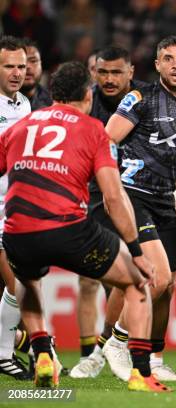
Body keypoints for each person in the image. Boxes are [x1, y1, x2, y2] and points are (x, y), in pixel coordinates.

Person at [0, 61, 169, 392]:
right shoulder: (93, 130)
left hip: (18, 231)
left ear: (53, 95)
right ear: (87, 96)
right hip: (68, 229)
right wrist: (135, 251)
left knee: (27, 282)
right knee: (136, 284)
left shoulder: (21, 125)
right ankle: (140, 372)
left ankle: (42, 350)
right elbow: (114, 196)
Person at [102, 35, 176, 382]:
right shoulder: (139, 99)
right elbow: (105, 142)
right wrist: (109, 189)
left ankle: (155, 360)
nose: (174, 64)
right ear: (157, 65)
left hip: (163, 200)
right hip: (132, 195)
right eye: (167, 58)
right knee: (157, 277)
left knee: (167, 287)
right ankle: (117, 341)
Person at [69, 45, 148, 379]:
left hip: (139, 198)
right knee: (98, 277)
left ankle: (122, 350)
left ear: (131, 72)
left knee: (136, 275)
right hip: (94, 197)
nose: (110, 79)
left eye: (117, 72)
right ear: (93, 73)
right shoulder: (84, 103)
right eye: (103, 72)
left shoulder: (148, 100)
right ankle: (96, 351)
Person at [0, 35, 33, 381]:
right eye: (8, 66)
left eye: (21, 66)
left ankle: (7, 353)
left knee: (18, 283)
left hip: (11, 210)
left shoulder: (22, 104)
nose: (17, 72)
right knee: (17, 284)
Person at [20, 39, 52, 111]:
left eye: (33, 61)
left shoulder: (52, 103)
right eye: (22, 61)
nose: (27, 66)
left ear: (41, 64)